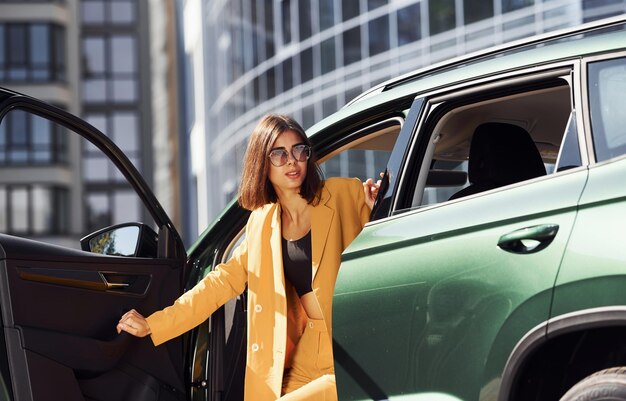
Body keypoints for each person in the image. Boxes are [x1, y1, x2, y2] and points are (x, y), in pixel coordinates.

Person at [117, 114, 380, 401]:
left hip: (353, 345)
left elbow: (386, 245)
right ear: (262, 163)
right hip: (306, 351)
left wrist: (377, 204)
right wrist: (154, 324)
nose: (292, 161)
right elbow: (219, 284)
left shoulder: (345, 193)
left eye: (299, 150)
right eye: (278, 154)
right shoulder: (261, 223)